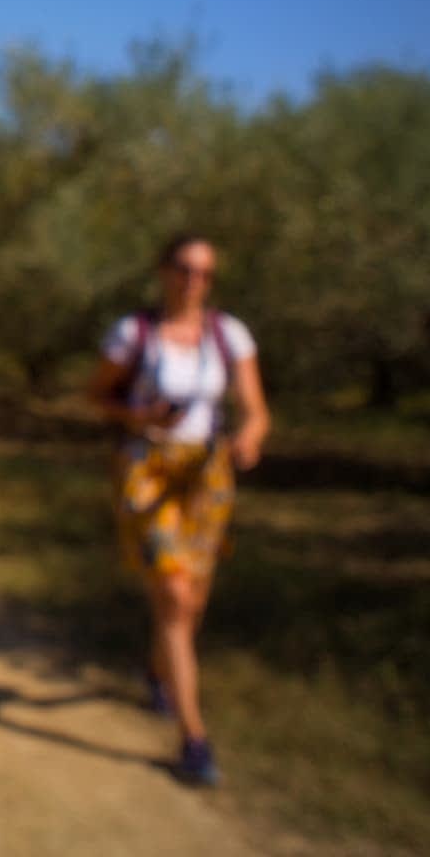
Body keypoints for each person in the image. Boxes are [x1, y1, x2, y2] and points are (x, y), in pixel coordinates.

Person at [86, 234, 271, 786]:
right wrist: (141, 417)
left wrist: (250, 438)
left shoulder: (228, 334)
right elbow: (97, 396)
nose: (195, 281)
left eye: (205, 273)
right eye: (185, 269)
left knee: (192, 601)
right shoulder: (133, 333)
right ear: (163, 271)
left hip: (207, 474)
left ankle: (157, 670)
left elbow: (256, 409)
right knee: (173, 591)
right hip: (145, 470)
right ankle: (194, 739)